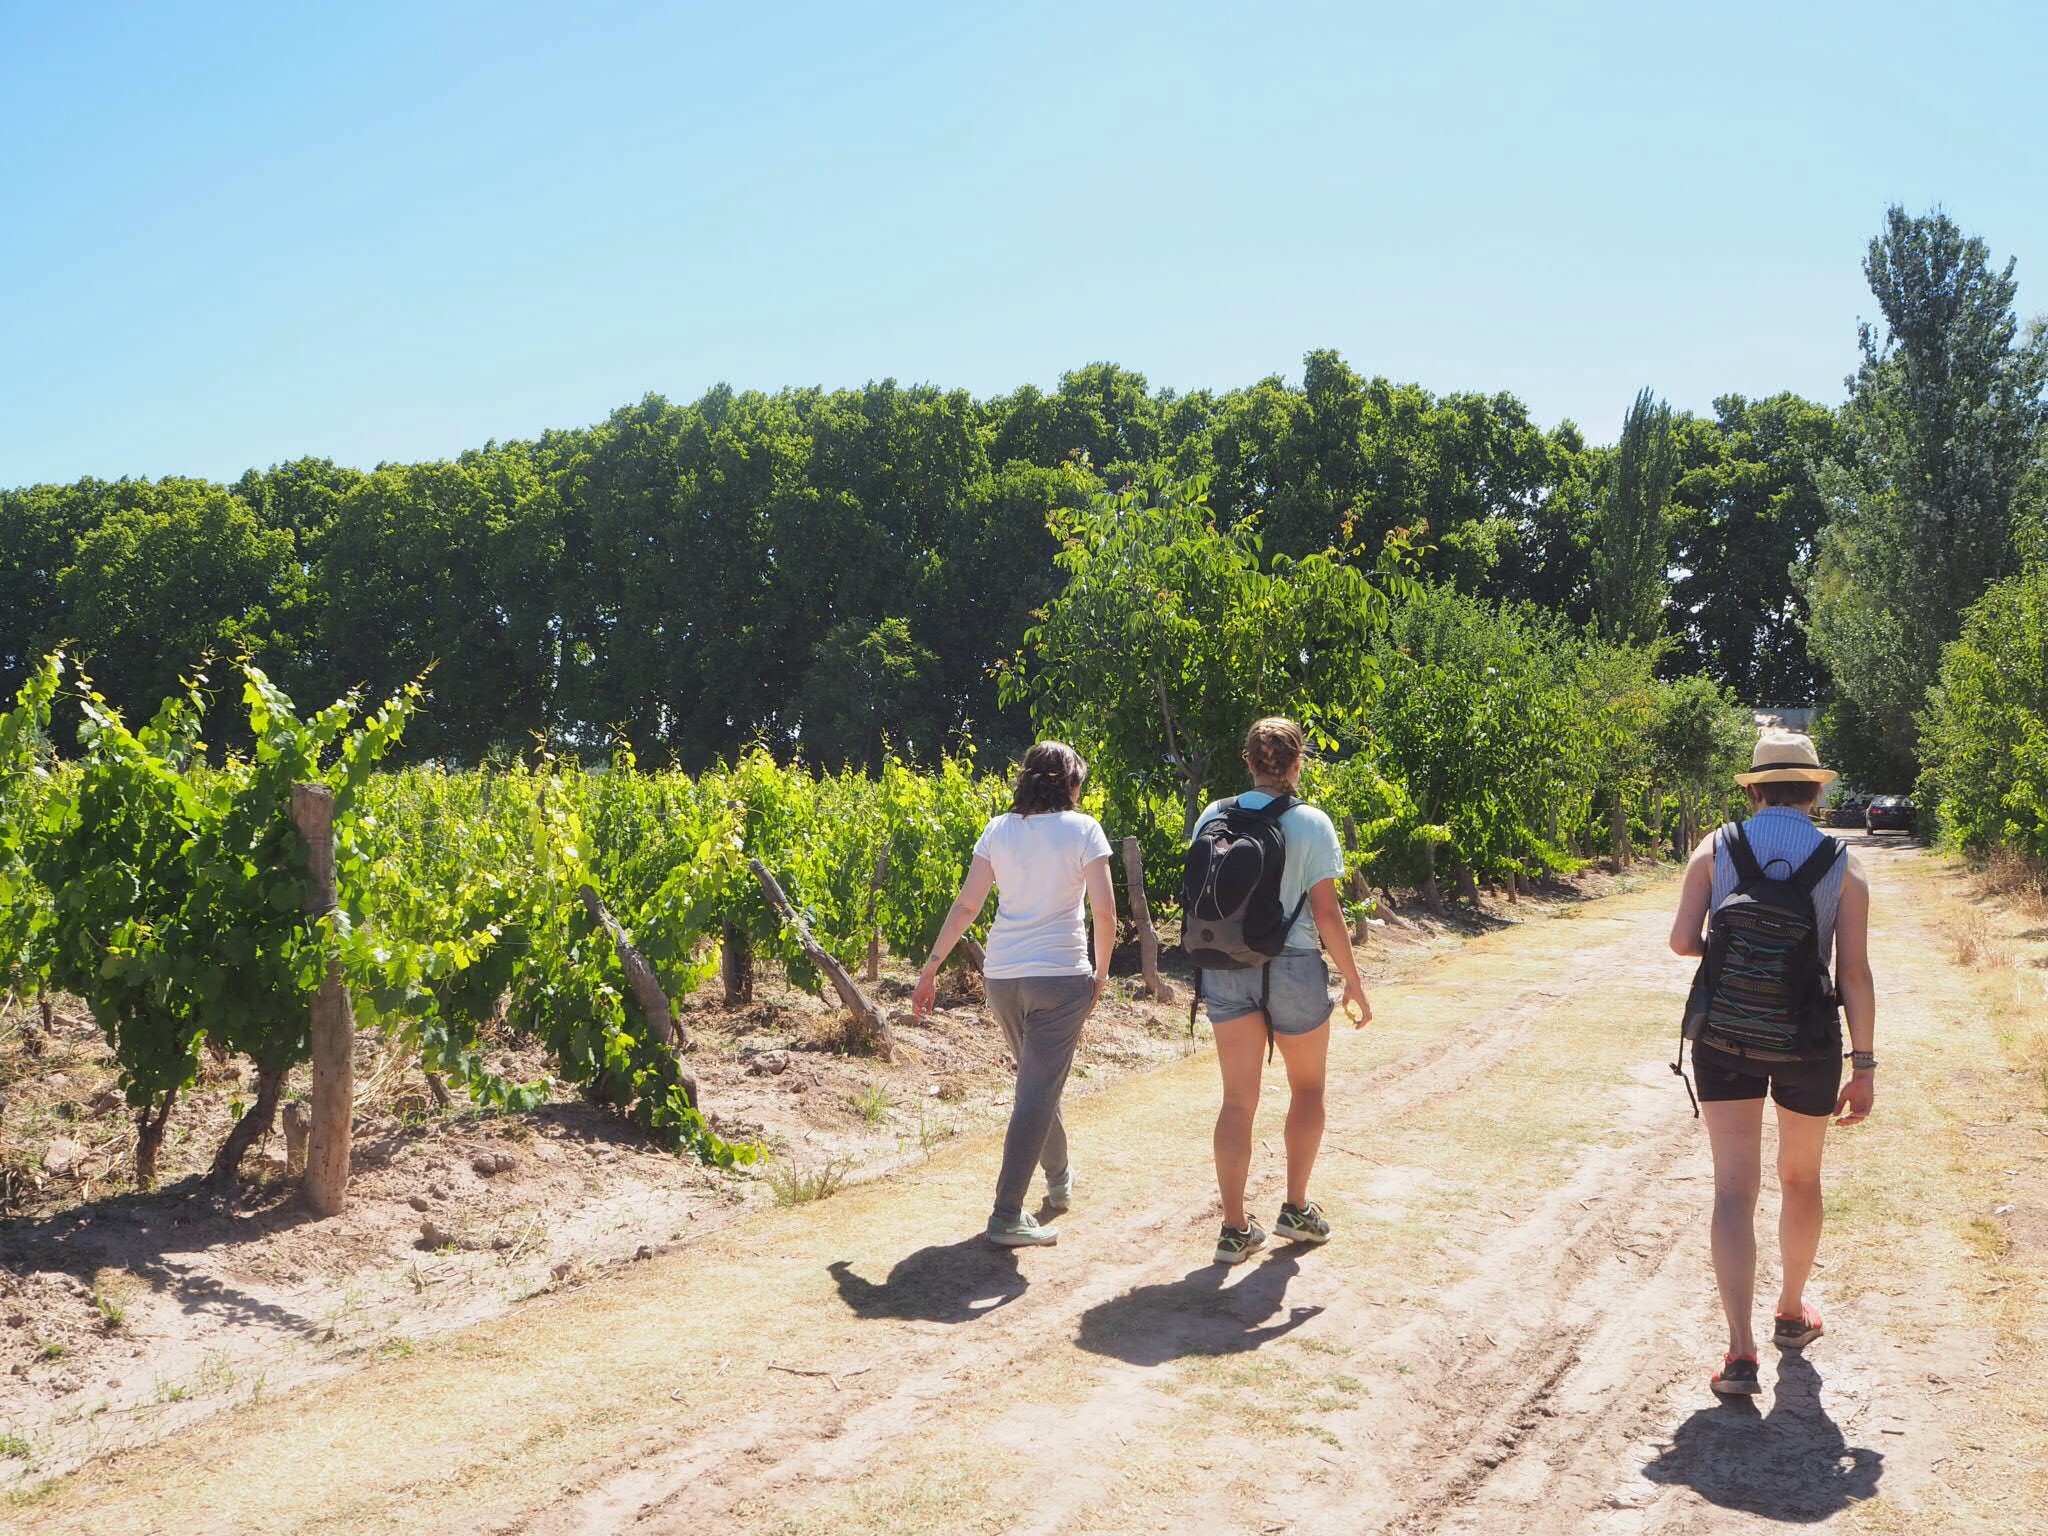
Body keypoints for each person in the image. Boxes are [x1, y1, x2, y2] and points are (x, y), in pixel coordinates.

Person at [1668, 729, 1876, 1398]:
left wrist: (1738, 957)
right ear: (1814, 792)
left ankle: (1739, 1353)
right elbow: (1854, 973)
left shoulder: (1715, 848)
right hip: (1808, 1042)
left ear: (1755, 791)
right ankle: (1791, 1312)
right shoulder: (1843, 864)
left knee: (1734, 1189)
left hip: (1724, 1035)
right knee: (1801, 1179)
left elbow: (1681, 941)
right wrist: (1864, 1065)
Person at [913, 741, 1117, 1248]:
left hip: (1003, 977)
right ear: (1071, 784)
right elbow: (1105, 912)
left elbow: (967, 905)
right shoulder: (1084, 830)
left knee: (1037, 1085)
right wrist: (1101, 974)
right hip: (1060, 977)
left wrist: (931, 967)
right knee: (1036, 1092)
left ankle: (1059, 1178)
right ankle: (1006, 1215)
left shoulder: (998, 830)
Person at [1194, 717, 1371, 1265]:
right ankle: (1295, 1208)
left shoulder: (1213, 814)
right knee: (1308, 1089)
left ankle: (1233, 1229)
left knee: (1237, 1100)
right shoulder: (1311, 822)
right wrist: (1353, 979)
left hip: (1225, 965)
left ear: (1249, 762)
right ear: (1297, 765)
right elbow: (1326, 913)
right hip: (1293, 965)